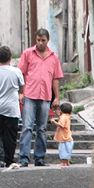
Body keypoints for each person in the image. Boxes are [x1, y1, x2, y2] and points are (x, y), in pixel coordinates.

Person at [17, 29, 63, 167]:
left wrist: (57, 97)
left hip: (45, 96)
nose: (40, 43)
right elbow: (21, 74)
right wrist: (21, 92)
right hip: (29, 94)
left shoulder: (54, 57)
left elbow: (55, 78)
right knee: (27, 127)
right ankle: (24, 158)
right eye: (38, 40)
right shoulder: (27, 54)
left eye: (43, 40)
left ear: (48, 40)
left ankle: (39, 158)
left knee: (42, 128)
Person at [0, 46, 24, 169]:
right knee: (11, 135)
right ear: (10, 58)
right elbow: (21, 87)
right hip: (12, 108)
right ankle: (9, 159)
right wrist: (19, 94)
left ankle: (0, 157)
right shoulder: (16, 72)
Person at [54, 100, 74, 165]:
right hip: (68, 137)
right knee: (67, 150)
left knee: (63, 150)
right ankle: (67, 162)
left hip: (63, 138)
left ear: (61, 110)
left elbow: (61, 125)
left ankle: (63, 162)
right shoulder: (68, 116)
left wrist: (54, 122)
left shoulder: (63, 117)